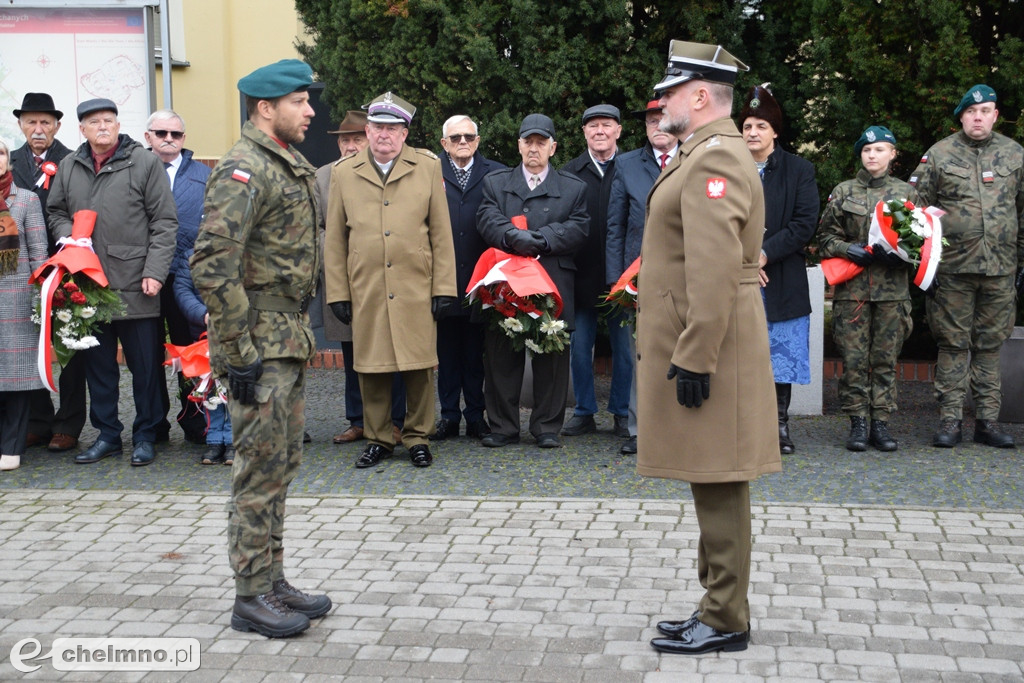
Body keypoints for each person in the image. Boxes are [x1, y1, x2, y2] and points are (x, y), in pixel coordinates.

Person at [638, 40, 780, 656]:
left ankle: (726, 617)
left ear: (699, 96)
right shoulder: (701, 153)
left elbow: (717, 269)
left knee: (720, 478)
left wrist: (695, 354)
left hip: (712, 345)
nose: (660, 101)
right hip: (709, 339)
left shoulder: (712, 159)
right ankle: (715, 603)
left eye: (669, 91)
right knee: (709, 474)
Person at [191, 59, 331, 638]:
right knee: (256, 471)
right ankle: (250, 595)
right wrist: (237, 347)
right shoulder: (244, 167)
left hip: (286, 338)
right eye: (300, 101)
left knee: (281, 465)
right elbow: (211, 264)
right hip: (260, 344)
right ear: (266, 107)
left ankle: (271, 579)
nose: (311, 111)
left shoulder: (284, 164)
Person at [324, 92, 458, 469]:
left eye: (393, 128)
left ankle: (417, 437)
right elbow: (335, 239)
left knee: (418, 366)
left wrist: (444, 287)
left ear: (405, 133)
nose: (385, 134)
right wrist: (338, 292)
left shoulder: (427, 167)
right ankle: (379, 438)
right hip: (366, 286)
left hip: (416, 284)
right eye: (378, 127)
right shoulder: (343, 173)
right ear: (366, 131)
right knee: (371, 367)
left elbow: (440, 233)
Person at [47, 98, 178, 467]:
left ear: (119, 126)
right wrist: (68, 236)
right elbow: (55, 210)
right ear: (82, 130)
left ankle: (146, 435)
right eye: (94, 122)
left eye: (109, 120)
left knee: (146, 369)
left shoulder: (145, 162)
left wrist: (155, 271)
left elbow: (164, 222)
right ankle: (107, 435)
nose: (103, 126)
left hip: (137, 282)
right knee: (99, 369)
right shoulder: (70, 166)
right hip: (87, 285)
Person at [909, 84, 1024, 449]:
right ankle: (950, 420)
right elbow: (913, 213)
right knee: (954, 344)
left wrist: (1020, 259)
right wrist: (925, 263)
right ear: (961, 116)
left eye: (986, 110)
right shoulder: (939, 155)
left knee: (991, 345)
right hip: (953, 270)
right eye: (972, 112)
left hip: (1001, 268)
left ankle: (987, 421)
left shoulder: (1014, 153)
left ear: (995, 115)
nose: (978, 117)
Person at [476, 113, 589, 449]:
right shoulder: (496, 183)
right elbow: (486, 217)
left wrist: (542, 238)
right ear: (519, 145)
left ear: (553, 147)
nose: (534, 148)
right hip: (506, 283)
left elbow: (580, 226)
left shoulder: (574, 188)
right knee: (500, 355)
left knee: (552, 357)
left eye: (542, 142)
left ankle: (546, 426)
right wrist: (513, 236)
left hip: (552, 278)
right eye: (529, 141)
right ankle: (503, 426)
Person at [818, 126, 918, 452]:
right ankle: (858, 422)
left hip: (893, 293)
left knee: (886, 360)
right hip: (854, 293)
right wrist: (848, 250)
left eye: (879, 150)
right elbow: (825, 238)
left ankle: (881, 423)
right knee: (854, 359)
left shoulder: (906, 195)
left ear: (892, 154)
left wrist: (901, 256)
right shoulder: (844, 192)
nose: (872, 155)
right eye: (866, 150)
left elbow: (921, 245)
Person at [316, 111, 407, 447]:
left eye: (356, 138)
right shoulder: (323, 176)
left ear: (368, 138)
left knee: (392, 350)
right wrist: (339, 246)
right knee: (352, 352)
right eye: (345, 140)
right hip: (343, 277)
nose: (350, 145)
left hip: (384, 279)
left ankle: (395, 421)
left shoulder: (386, 172)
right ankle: (358, 420)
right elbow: (317, 227)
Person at [738, 85, 819, 455]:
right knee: (738, 354)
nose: (752, 132)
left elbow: (804, 224)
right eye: (747, 125)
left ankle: (778, 427)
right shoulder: (728, 167)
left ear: (775, 132)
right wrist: (744, 260)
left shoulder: (800, 169)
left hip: (781, 276)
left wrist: (764, 255)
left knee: (779, 357)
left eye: (760, 126)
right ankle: (739, 428)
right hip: (736, 275)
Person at [10, 92, 84, 454]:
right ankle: (38, 421)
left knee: (69, 345)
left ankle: (68, 425)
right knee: (29, 345)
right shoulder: (8, 162)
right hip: (21, 270)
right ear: (20, 125)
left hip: (67, 264)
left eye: (45, 123)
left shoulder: (72, 161)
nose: (38, 129)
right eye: (30, 122)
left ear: (57, 125)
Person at [605, 99, 679, 455]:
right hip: (637, 277)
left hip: (683, 273)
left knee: (681, 350)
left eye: (663, 119)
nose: (657, 126)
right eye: (651, 121)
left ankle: (680, 428)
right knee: (641, 354)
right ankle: (639, 429)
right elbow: (615, 224)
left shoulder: (693, 158)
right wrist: (615, 279)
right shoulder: (626, 164)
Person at [432, 114, 505, 441]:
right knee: (446, 353)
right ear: (444, 143)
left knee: (477, 354)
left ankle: (476, 416)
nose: (463, 142)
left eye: (469, 136)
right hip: (443, 277)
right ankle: (449, 416)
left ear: (478, 140)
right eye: (456, 137)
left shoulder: (496, 172)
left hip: (482, 279)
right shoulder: (430, 173)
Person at [560, 104, 631, 440]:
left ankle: (621, 412)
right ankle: (584, 411)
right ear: (584, 133)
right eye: (593, 126)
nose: (599, 131)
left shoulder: (633, 167)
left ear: (618, 130)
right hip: (582, 274)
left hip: (625, 276)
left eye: (606, 125)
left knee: (625, 349)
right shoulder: (570, 172)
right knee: (579, 347)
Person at [145, 108, 211, 446]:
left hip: (186, 278)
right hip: (144, 279)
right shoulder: (133, 172)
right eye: (161, 134)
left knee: (191, 352)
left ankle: (196, 420)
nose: (169, 140)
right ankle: (154, 424)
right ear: (148, 138)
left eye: (176, 134)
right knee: (148, 355)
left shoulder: (203, 175)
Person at [0, 135, 49, 471]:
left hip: (16, 296)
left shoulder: (27, 199)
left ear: (8, 159)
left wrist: (40, 298)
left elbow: (38, 253)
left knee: (17, 377)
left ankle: (12, 446)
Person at [174, 247, 234, 465]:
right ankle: (214, 439)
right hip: (203, 334)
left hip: (237, 333)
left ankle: (234, 440)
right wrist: (203, 314)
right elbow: (182, 290)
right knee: (210, 389)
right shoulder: (191, 255)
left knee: (234, 389)